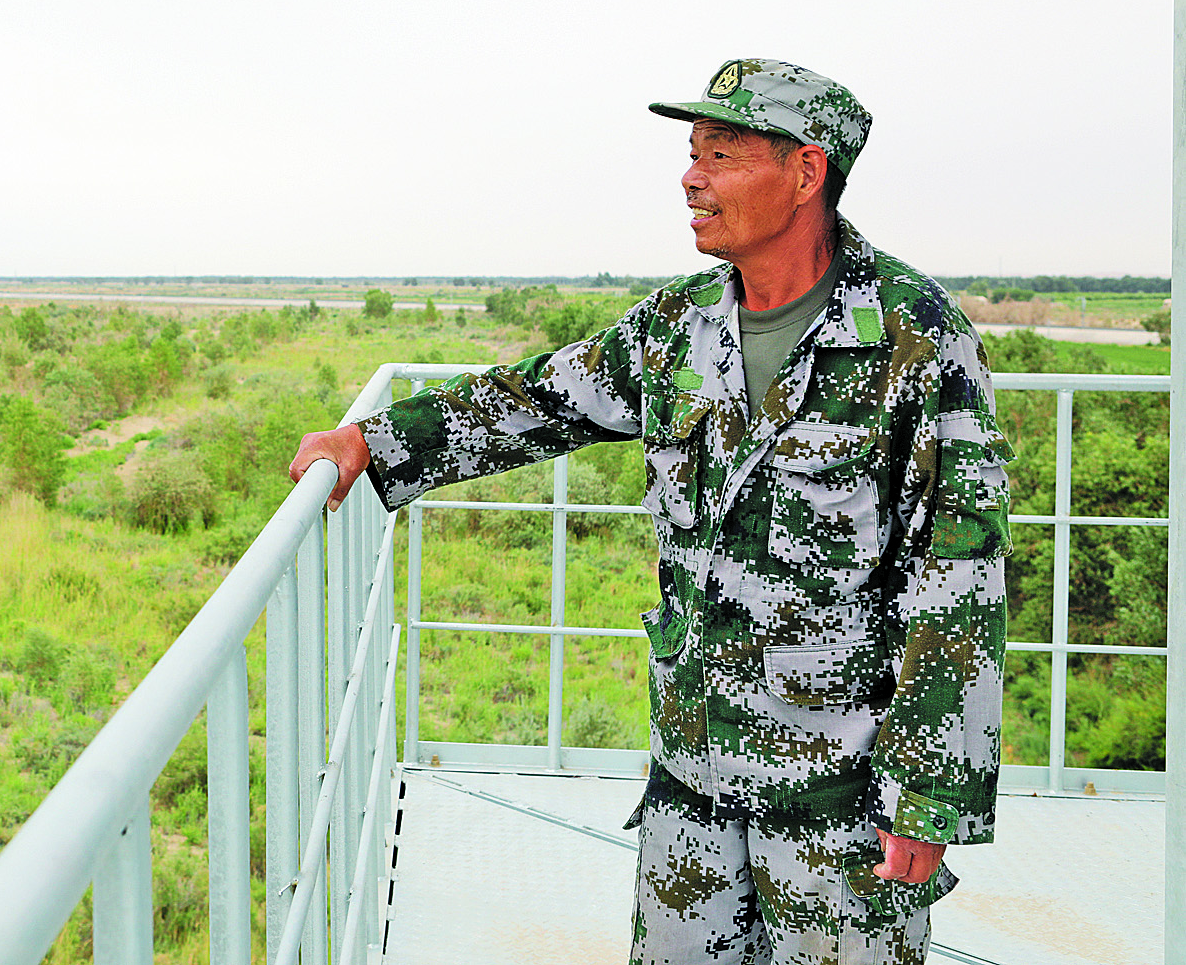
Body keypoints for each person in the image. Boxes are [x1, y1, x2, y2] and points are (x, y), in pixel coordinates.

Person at [289, 59, 1009, 965]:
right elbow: (541, 398)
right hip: (691, 780)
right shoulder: (677, 325)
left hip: (841, 802)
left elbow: (958, 570)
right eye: (692, 152)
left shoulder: (914, 335)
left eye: (721, 153)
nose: (690, 177)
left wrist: (929, 794)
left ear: (805, 171)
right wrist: (373, 441)